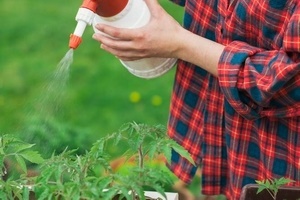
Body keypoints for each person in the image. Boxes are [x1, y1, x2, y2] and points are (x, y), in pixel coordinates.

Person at [92, 0, 300, 199]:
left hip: (282, 147)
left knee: (269, 192)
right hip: (232, 129)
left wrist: (180, 44)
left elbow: (290, 82)